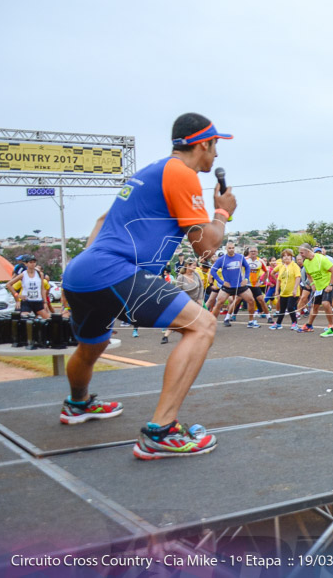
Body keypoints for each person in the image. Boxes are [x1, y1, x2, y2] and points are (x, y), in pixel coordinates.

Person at [61, 112, 235, 459]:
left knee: (91, 346)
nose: (216, 156)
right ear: (203, 143)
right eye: (215, 147)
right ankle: (161, 431)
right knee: (203, 326)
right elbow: (206, 247)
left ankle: (77, 405)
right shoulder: (181, 173)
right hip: (114, 271)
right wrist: (222, 213)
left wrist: (94, 261)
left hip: (80, 272)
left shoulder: (147, 172)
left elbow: (101, 220)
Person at [210, 242, 259, 328]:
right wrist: (221, 282)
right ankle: (211, 324)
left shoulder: (240, 257)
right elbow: (213, 271)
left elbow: (247, 267)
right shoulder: (222, 259)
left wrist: (246, 279)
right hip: (227, 286)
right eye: (229, 248)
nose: (231, 249)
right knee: (219, 303)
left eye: (233, 248)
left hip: (240, 285)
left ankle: (251, 321)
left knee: (251, 300)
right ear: (226, 249)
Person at [297, 244, 333, 332]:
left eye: (302, 253)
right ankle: (309, 325)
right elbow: (308, 274)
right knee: (314, 306)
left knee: (325, 303)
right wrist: (312, 284)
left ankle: (331, 326)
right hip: (318, 287)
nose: (301, 255)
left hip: (327, 284)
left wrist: (331, 285)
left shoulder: (321, 259)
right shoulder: (306, 262)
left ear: (308, 251)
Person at [162, 259, 205, 344]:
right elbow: (178, 291)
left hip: (195, 300)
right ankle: (165, 336)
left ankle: (196, 336)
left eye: (195, 265)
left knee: (197, 318)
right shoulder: (181, 277)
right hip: (184, 301)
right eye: (193, 265)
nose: (195, 267)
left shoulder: (196, 274)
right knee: (177, 319)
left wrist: (200, 299)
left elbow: (201, 287)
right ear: (188, 266)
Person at [270, 249, 301, 329]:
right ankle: (278, 323)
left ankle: (294, 323)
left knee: (290, 307)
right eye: (284, 256)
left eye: (288, 255)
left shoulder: (294, 266)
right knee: (282, 308)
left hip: (293, 292)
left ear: (291, 257)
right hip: (283, 291)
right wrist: (277, 290)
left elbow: (298, 277)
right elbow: (279, 280)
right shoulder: (282, 267)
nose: (286, 257)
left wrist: (295, 289)